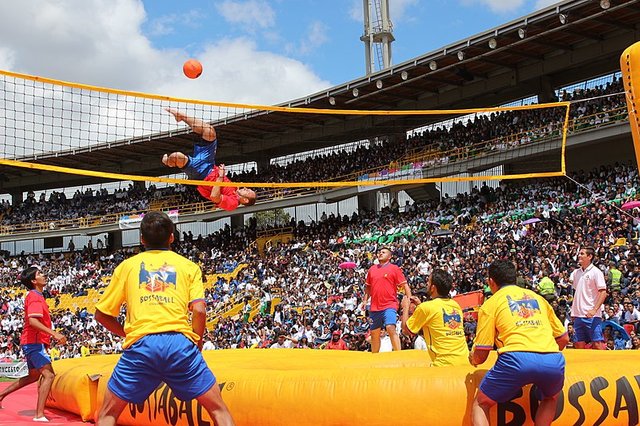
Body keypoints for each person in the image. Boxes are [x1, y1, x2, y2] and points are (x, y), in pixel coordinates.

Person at [94, 211, 235, 426]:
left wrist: (127, 334)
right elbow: (199, 310)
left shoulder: (127, 267)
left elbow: (101, 315)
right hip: (178, 343)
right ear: (172, 237)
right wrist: (196, 341)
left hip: (141, 345)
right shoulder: (188, 266)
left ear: (141, 239)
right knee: (219, 410)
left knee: (107, 415)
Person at [470, 260, 569, 426]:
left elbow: (482, 354)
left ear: (491, 282)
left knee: (481, 403)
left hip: (516, 359)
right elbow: (564, 338)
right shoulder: (538, 299)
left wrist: (472, 359)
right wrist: (542, 356)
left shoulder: (491, 304)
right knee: (551, 398)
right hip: (553, 358)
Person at [0, 266, 67, 422]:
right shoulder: (35, 296)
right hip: (33, 342)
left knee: (33, 376)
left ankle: (1, 395)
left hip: (32, 342)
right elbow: (32, 321)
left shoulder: (36, 295)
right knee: (49, 375)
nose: (44, 275)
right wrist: (54, 334)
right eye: (40, 273)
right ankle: (39, 415)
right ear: (33, 281)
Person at [163, 108, 256, 210]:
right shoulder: (235, 189)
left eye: (248, 191)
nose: (246, 188)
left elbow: (214, 197)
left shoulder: (233, 204)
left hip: (201, 175)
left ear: (245, 200)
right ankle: (181, 117)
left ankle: (168, 162)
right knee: (210, 132)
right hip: (210, 164)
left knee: (177, 156)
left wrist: (220, 177)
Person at [400, 269, 469, 366]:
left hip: (443, 364)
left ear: (433, 288)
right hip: (464, 361)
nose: (426, 284)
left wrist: (405, 307)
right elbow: (437, 320)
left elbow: (405, 330)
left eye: (428, 282)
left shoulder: (426, 308)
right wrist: (420, 305)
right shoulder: (455, 305)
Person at [362, 247, 412, 353]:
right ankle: (375, 356)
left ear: (389, 257)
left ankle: (398, 354)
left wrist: (409, 298)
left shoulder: (394, 268)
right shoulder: (372, 269)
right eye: (379, 252)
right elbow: (368, 288)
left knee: (390, 327)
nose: (380, 253)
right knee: (374, 333)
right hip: (375, 306)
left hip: (389, 304)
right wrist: (365, 300)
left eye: (383, 252)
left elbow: (404, 285)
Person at [570, 246, 607, 349]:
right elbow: (578, 292)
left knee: (597, 343)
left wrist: (594, 310)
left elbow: (603, 292)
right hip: (578, 315)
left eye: (582, 254)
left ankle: (603, 365)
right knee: (578, 343)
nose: (579, 255)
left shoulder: (596, 272)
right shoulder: (576, 273)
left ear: (590, 256)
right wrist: (574, 311)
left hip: (591, 315)